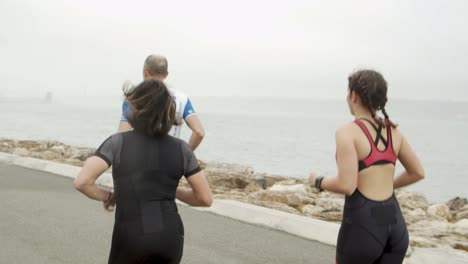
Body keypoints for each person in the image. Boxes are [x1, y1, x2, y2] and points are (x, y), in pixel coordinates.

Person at [74, 79, 213, 264]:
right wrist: (173, 191)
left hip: (131, 238)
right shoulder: (182, 149)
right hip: (170, 238)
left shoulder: (117, 143)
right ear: (168, 111)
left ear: (135, 109)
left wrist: (108, 196)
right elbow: (205, 198)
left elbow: (82, 182)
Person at [309, 69, 425, 264]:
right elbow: (417, 172)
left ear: (353, 95)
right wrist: (387, 185)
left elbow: (347, 185)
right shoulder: (393, 132)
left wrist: (318, 181)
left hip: (363, 230)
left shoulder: (347, 133)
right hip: (396, 228)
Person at [118, 54, 205, 151]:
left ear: (145, 72)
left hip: (142, 159)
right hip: (170, 159)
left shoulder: (134, 97)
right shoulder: (182, 99)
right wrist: (184, 155)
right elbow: (199, 132)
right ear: (166, 74)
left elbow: (121, 135)